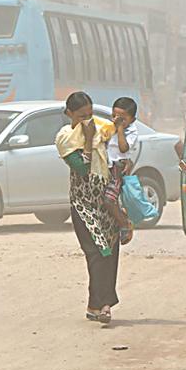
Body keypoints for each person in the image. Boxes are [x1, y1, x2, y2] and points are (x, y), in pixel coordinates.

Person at [55, 92, 120, 324]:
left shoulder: (100, 133)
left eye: (90, 115)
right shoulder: (66, 138)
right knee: (96, 253)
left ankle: (99, 305)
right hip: (84, 206)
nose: (88, 121)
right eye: (82, 116)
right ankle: (101, 305)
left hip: (104, 204)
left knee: (109, 253)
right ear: (69, 114)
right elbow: (82, 168)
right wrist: (90, 143)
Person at [105, 97, 139, 245]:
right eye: (115, 116)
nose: (117, 120)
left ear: (132, 119)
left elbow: (123, 148)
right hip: (105, 167)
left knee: (109, 199)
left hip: (117, 169)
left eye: (122, 119)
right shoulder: (107, 127)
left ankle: (125, 223)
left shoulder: (131, 132)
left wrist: (119, 129)